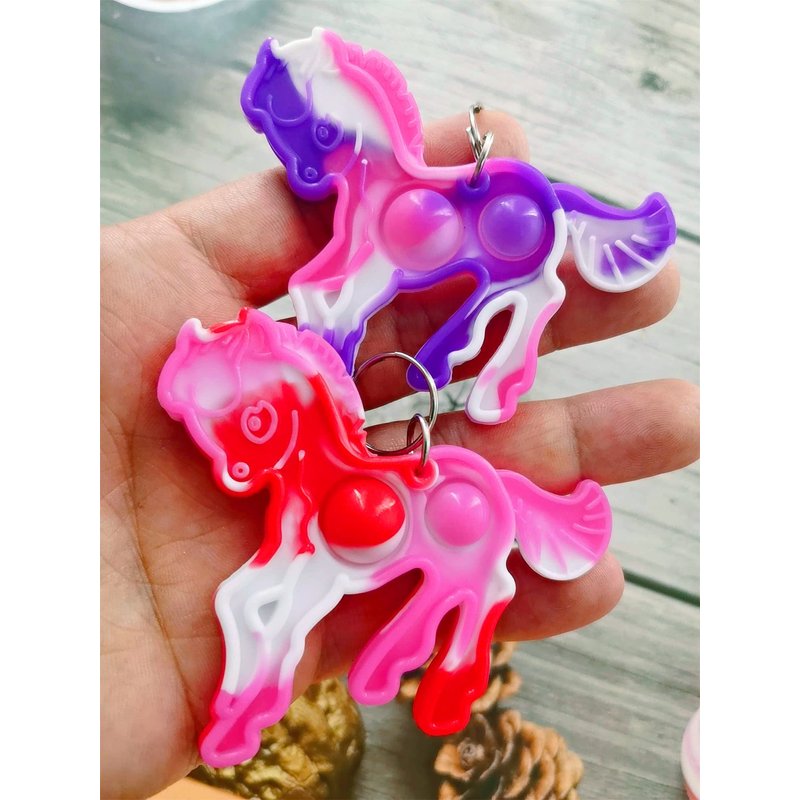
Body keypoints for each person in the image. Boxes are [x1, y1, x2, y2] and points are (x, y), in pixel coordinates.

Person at [100, 111, 699, 799]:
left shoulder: (339, 494)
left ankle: (440, 661)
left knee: (319, 593)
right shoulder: (299, 480)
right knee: (246, 597)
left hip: (387, 491)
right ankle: (252, 702)